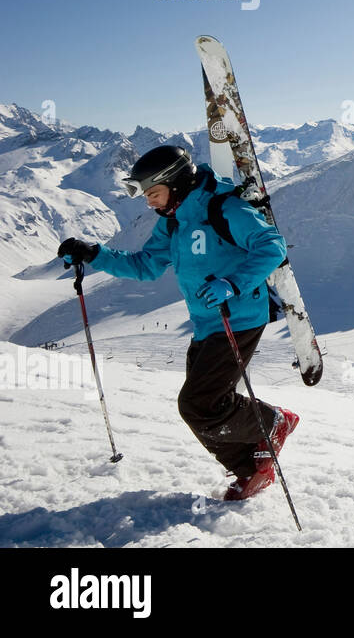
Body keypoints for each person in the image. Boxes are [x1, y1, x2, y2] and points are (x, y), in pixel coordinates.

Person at [58, 146, 296, 502]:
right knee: (201, 407)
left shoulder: (223, 207)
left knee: (199, 404)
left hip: (239, 317)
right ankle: (250, 468)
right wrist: (95, 254)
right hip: (205, 322)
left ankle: (274, 422)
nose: (150, 203)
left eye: (153, 193)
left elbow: (271, 245)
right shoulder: (174, 220)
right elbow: (145, 266)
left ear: (176, 182)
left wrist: (232, 283)